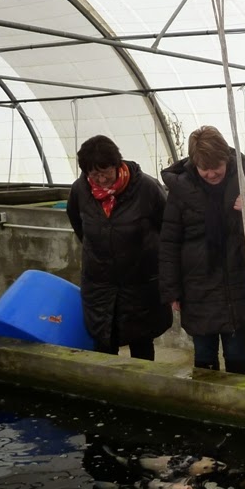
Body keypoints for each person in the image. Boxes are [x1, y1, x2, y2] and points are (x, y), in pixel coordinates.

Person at [159, 126, 245, 375]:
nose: (210, 174)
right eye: (203, 168)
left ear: (226, 159)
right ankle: (208, 399)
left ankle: (239, 399)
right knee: (204, 351)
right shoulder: (180, 192)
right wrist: (171, 290)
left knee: (236, 351)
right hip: (197, 285)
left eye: (216, 167)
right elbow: (169, 242)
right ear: (194, 164)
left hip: (236, 280)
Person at [67, 135, 172, 358]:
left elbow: (167, 228)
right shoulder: (80, 191)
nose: (101, 179)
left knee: (141, 342)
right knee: (103, 340)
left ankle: (143, 388)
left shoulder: (146, 188)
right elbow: (77, 222)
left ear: (117, 164)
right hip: (99, 284)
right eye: (94, 174)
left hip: (140, 283)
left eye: (105, 171)